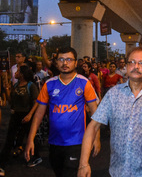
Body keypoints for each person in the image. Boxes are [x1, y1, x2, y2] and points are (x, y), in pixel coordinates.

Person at [77, 47, 142, 177]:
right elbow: (93, 127)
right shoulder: (114, 94)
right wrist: (83, 163)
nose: (136, 66)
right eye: (132, 62)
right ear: (126, 66)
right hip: (117, 171)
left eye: (141, 63)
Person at [24, 47, 100, 177]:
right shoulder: (49, 84)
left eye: (69, 59)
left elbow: (95, 113)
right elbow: (39, 114)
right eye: (61, 59)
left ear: (76, 63)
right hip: (54, 142)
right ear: (56, 63)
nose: (65, 63)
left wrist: (96, 138)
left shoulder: (84, 82)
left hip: (77, 142)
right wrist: (30, 139)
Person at [0, 66, 40, 176]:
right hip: (15, 115)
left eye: (18, 72)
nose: (15, 73)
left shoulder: (31, 86)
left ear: (22, 74)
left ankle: (35, 157)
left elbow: (36, 102)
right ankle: (2, 164)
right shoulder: (16, 85)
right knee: (9, 139)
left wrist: (30, 115)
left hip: (26, 115)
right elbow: (10, 102)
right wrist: (7, 90)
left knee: (30, 138)